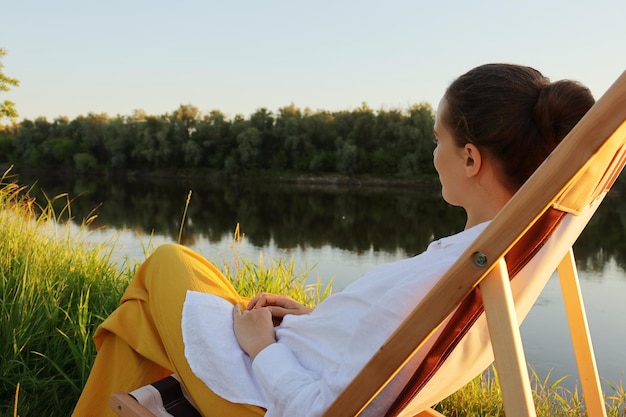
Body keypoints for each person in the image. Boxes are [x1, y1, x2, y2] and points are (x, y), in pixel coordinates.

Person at [73, 64, 594, 417]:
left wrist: (260, 349)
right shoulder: (506, 257)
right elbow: (380, 345)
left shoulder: (459, 270)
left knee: (164, 264)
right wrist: (316, 324)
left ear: (471, 158)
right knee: (156, 310)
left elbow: (316, 411)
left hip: (263, 397)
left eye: (438, 138)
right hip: (305, 363)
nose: (433, 151)